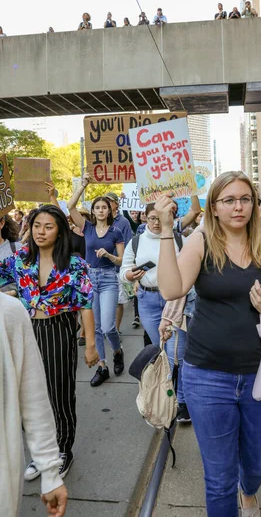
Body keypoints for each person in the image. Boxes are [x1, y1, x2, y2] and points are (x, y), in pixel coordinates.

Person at [155, 171, 261, 517]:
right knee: (218, 478)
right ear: (213, 207)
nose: (238, 207)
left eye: (245, 199)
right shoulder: (201, 242)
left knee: (259, 461)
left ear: (255, 204)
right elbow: (172, 290)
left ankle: (249, 491)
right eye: (228, 200)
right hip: (207, 376)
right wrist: (164, 233)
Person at [0, 204, 98, 481]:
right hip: (25, 329)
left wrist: (91, 344)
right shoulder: (19, 260)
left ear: (60, 231)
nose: (41, 232)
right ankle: (39, 453)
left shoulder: (75, 264)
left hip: (58, 329)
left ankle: (61, 451)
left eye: (49, 226)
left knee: (59, 393)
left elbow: (85, 304)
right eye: (36, 225)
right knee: (24, 393)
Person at [120, 202, 194, 422]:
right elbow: (123, 270)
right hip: (147, 300)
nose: (155, 223)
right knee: (160, 351)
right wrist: (129, 276)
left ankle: (180, 402)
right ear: (144, 218)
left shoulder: (181, 240)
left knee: (176, 354)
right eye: (151, 218)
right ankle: (165, 397)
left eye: (160, 218)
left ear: (170, 218)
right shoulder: (136, 241)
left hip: (175, 300)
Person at [0, 293, 68, 517]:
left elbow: (33, 396)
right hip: (37, 326)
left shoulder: (8, 311)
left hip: (56, 330)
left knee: (62, 396)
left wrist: (49, 470)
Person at [68, 175, 125, 387]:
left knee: (109, 326)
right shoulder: (87, 228)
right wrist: (84, 185)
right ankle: (102, 366)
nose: (101, 210)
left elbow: (122, 260)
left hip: (109, 278)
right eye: (98, 207)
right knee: (97, 327)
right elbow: (71, 205)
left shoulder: (116, 231)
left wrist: (109, 256)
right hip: (90, 280)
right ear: (93, 211)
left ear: (110, 211)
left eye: (104, 207)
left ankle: (117, 352)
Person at [104, 191, 132, 337]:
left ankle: (116, 328)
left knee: (119, 300)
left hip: (118, 266)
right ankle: (106, 327)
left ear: (116, 203)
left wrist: (126, 263)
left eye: (109, 201)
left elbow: (128, 243)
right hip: (102, 266)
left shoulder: (124, 222)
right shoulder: (101, 219)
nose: (107, 204)